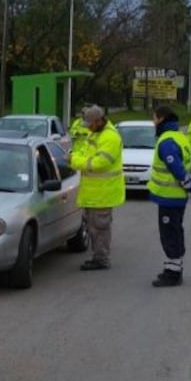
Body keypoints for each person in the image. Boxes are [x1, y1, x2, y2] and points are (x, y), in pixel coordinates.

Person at [69, 104, 124, 270]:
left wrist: (74, 161)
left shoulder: (110, 137)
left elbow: (100, 163)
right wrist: (75, 156)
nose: (89, 128)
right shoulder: (96, 133)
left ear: (99, 121)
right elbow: (84, 153)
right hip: (94, 191)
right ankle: (99, 256)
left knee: (100, 228)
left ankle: (101, 259)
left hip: (103, 192)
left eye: (90, 124)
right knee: (94, 227)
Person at [148, 105, 191, 288]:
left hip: (170, 196)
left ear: (161, 119)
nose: (153, 122)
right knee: (175, 230)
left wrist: (187, 184)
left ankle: (173, 274)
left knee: (169, 233)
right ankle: (173, 268)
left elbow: (176, 168)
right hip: (178, 196)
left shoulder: (166, 141)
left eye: (154, 118)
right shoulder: (181, 137)